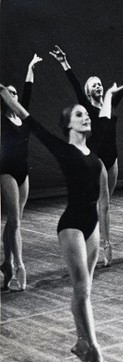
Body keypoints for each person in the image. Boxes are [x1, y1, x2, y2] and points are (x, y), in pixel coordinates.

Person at [0, 80, 122, 362]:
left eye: (86, 114)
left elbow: (105, 117)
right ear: (68, 125)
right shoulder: (63, 149)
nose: (86, 117)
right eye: (80, 115)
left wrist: (106, 238)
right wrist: (4, 92)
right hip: (71, 227)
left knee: (84, 293)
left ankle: (82, 343)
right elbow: (30, 120)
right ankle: (94, 350)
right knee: (81, 290)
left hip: (91, 226)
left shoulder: (94, 154)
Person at [50, 45, 123, 265]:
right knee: (103, 205)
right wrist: (64, 62)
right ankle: (105, 246)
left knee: (103, 205)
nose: (98, 86)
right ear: (90, 92)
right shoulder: (87, 107)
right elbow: (75, 84)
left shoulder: (110, 104)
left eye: (100, 83)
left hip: (113, 158)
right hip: (97, 158)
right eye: (94, 85)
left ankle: (96, 239)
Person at [0, 54, 42, 292]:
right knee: (14, 220)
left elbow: (28, 91)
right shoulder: (2, 121)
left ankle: (7, 262)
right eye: (10, 94)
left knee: (15, 222)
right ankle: (20, 267)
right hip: (6, 172)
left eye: (16, 95)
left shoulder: (23, 119)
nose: (15, 97)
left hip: (23, 173)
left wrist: (30, 67)